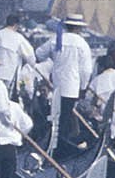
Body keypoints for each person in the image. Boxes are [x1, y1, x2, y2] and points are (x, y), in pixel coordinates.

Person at [36, 14, 95, 158]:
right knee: (65, 117)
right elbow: (86, 70)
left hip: (56, 85)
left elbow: (38, 54)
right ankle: (62, 148)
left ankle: (59, 145)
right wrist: (83, 87)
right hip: (72, 86)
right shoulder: (81, 44)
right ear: (78, 28)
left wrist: (55, 60)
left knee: (57, 116)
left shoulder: (56, 39)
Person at [0, 14, 36, 94]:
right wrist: (33, 64)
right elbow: (30, 55)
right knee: (6, 97)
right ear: (16, 25)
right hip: (9, 74)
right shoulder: (18, 37)